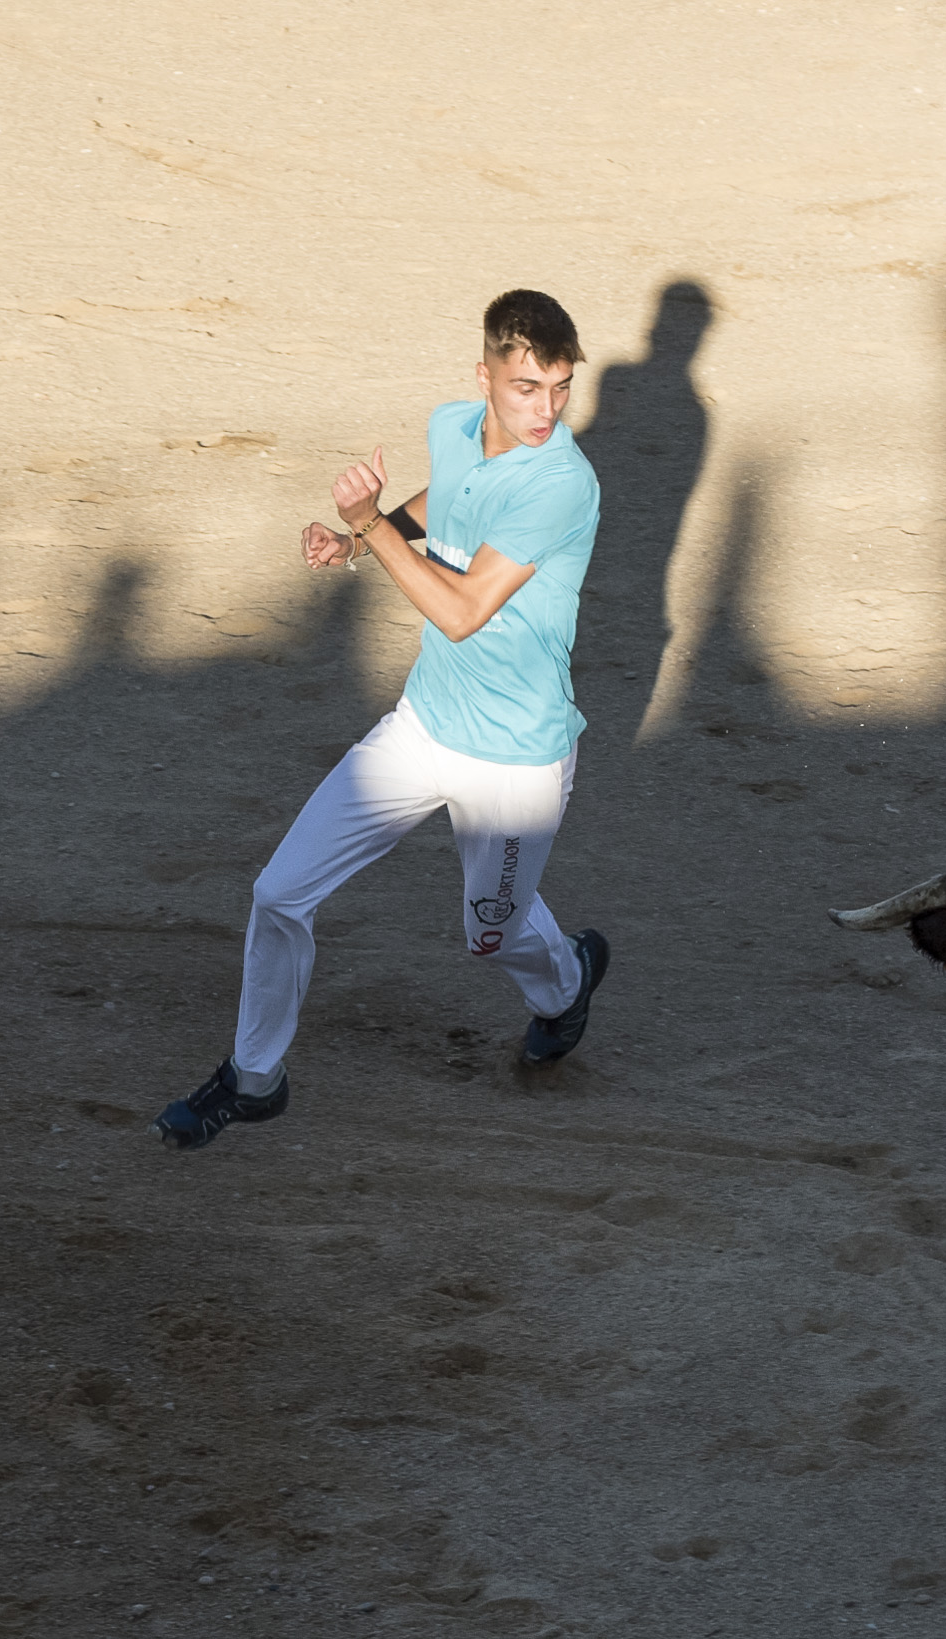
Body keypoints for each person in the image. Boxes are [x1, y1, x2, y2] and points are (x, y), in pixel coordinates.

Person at [154, 289, 610, 1152]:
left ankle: (568, 978)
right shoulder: (451, 423)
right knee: (279, 892)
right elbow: (449, 497)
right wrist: (361, 540)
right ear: (484, 378)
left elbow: (464, 611)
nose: (546, 409)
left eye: (559, 387)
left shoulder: (562, 485)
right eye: (525, 388)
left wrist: (369, 522)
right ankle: (254, 1079)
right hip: (424, 724)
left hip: (516, 758)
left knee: (491, 933)